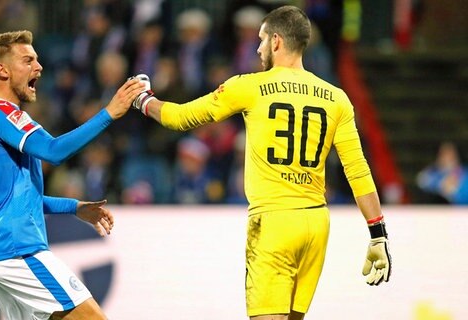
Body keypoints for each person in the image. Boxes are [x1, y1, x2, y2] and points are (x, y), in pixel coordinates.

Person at [130, 6, 392, 320]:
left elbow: (180, 117)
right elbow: (358, 170)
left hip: (273, 222)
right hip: (316, 224)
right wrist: (378, 234)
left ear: (277, 41)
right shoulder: (335, 97)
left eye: (261, 39)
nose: (257, 47)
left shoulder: (250, 86)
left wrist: (143, 100)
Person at [0, 30, 144, 320]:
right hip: (17, 249)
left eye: (37, 59)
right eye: (27, 60)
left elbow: (22, 197)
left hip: (0, 251)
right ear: (1, 70)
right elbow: (53, 151)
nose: (38, 67)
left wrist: (74, 207)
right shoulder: (0, 112)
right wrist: (109, 113)